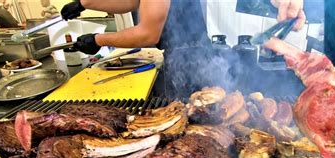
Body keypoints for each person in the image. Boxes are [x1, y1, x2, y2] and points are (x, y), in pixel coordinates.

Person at [61, 0, 227, 98]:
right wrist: (84, 3)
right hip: (185, 55)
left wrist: (98, 40)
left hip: (189, 62)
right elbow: (130, 2)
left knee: (192, 127)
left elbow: (148, 34)